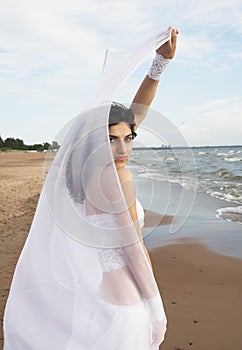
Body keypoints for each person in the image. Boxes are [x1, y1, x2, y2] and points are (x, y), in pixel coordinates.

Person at [3, 27, 178, 350]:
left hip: (102, 300)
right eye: (112, 140)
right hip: (127, 306)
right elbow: (133, 251)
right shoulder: (119, 180)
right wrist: (157, 312)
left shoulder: (80, 174)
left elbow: (132, 117)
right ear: (96, 141)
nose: (123, 149)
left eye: (129, 139)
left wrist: (159, 65)